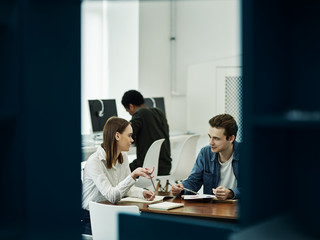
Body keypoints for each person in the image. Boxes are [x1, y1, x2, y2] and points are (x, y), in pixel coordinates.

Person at [81, 117, 155, 235]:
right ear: (117, 136)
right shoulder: (94, 162)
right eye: (129, 135)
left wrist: (142, 193)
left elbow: (125, 189)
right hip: (91, 218)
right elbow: (112, 196)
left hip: (111, 212)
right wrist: (133, 175)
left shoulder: (123, 156)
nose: (132, 140)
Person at [171, 114, 240, 200]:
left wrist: (231, 193)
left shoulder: (248, 154)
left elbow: (254, 187)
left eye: (216, 138)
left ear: (231, 139)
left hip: (240, 208)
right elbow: (193, 181)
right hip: (212, 207)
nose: (211, 142)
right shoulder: (205, 153)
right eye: (210, 137)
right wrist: (181, 188)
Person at [121, 90, 172, 175]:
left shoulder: (140, 113)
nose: (130, 114)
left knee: (120, 171)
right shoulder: (159, 112)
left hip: (148, 167)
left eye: (128, 111)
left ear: (131, 106)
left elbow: (127, 134)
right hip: (165, 166)